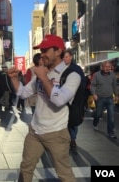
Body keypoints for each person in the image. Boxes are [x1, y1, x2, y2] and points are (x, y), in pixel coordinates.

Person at [7, 35, 78, 182]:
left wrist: (44, 78)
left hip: (56, 133)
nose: (42, 54)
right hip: (35, 131)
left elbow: (59, 100)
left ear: (58, 51)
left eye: (46, 50)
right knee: (26, 168)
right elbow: (22, 93)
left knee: (64, 174)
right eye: (41, 50)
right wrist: (14, 79)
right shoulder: (41, 72)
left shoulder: (71, 75)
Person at [63, 49, 86, 149]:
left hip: (75, 100)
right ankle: (66, 138)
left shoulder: (76, 69)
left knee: (73, 120)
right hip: (63, 99)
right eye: (63, 57)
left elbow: (83, 84)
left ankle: (72, 139)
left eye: (66, 57)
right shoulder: (60, 69)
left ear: (71, 57)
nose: (64, 59)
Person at [91, 61, 118, 138]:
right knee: (98, 114)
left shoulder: (113, 75)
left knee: (111, 116)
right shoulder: (97, 75)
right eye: (106, 66)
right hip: (100, 98)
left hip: (109, 98)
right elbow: (92, 86)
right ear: (102, 67)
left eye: (109, 67)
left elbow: (115, 86)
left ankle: (111, 132)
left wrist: (116, 95)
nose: (107, 68)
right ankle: (95, 123)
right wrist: (94, 94)